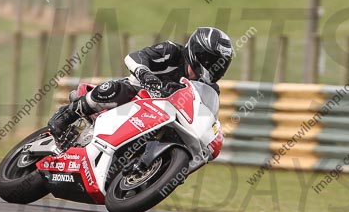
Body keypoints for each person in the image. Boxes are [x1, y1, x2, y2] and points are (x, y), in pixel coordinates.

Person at [48, 27, 234, 141]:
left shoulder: (209, 90)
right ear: (198, 53)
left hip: (166, 118)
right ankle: (66, 115)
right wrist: (146, 75)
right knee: (118, 89)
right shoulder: (172, 52)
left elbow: (207, 118)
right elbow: (134, 57)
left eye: (221, 64)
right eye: (212, 61)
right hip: (138, 95)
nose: (215, 68)